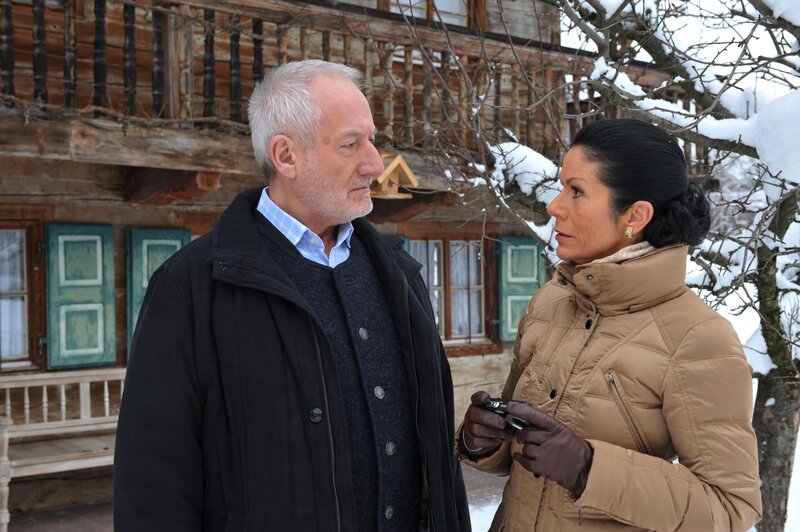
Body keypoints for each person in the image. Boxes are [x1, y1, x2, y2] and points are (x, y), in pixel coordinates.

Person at [113, 59, 470, 531]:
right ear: (285, 156)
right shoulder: (190, 287)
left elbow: (437, 464)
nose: (375, 163)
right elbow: (153, 484)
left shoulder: (400, 274)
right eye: (351, 144)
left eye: (372, 141)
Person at [458, 119, 762, 531]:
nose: (554, 206)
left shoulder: (697, 338)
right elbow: (520, 451)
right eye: (561, 187)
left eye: (576, 191)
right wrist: (483, 439)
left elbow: (731, 507)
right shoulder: (551, 302)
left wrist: (588, 468)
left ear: (635, 215)